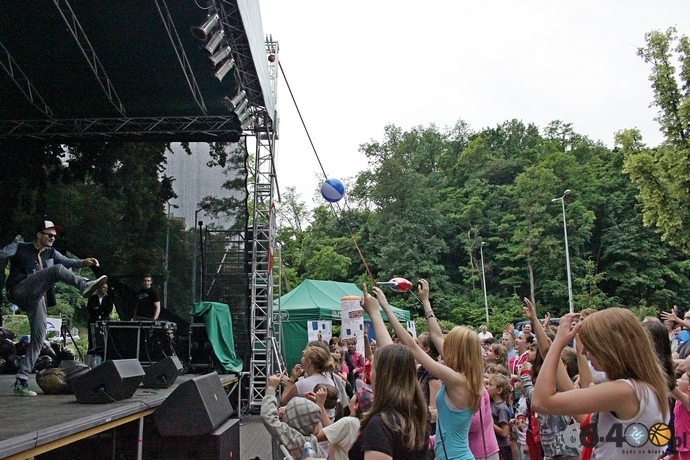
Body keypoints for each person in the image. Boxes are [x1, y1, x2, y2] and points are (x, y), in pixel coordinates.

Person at [366, 281, 482, 460]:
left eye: (449, 343)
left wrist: (385, 308)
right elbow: (435, 335)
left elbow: (413, 347)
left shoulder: (458, 380)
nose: (444, 345)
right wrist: (425, 301)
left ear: (458, 351)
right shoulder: (464, 375)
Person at [533, 309, 670, 459]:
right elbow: (580, 413)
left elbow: (541, 402)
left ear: (609, 346)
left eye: (590, 345)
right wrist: (551, 350)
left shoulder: (624, 392)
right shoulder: (644, 388)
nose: (585, 352)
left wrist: (558, 344)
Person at [0, 220, 106, 396]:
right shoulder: (19, 246)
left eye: (55, 236)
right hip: (19, 289)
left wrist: (83, 262)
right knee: (56, 270)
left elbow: (67, 261)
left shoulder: (51, 252)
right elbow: (2, 254)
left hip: (36, 297)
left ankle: (22, 380)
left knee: (38, 339)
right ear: (39, 234)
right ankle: (84, 285)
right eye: (49, 235)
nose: (52, 238)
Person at [348, 342, 429, 460]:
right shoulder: (418, 415)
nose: (371, 374)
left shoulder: (381, 424)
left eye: (373, 369)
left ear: (382, 376)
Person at [261, 371, 322, 459]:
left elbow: (268, 417)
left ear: (294, 418)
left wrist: (271, 388)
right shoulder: (312, 440)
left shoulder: (293, 437)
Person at [86, 282, 114, 354]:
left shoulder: (108, 299)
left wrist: (98, 309)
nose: (105, 289)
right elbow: (90, 309)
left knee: (103, 339)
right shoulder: (92, 298)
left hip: (104, 321)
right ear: (99, 288)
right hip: (93, 321)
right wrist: (101, 309)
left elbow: (109, 309)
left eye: (106, 288)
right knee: (92, 339)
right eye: (104, 288)